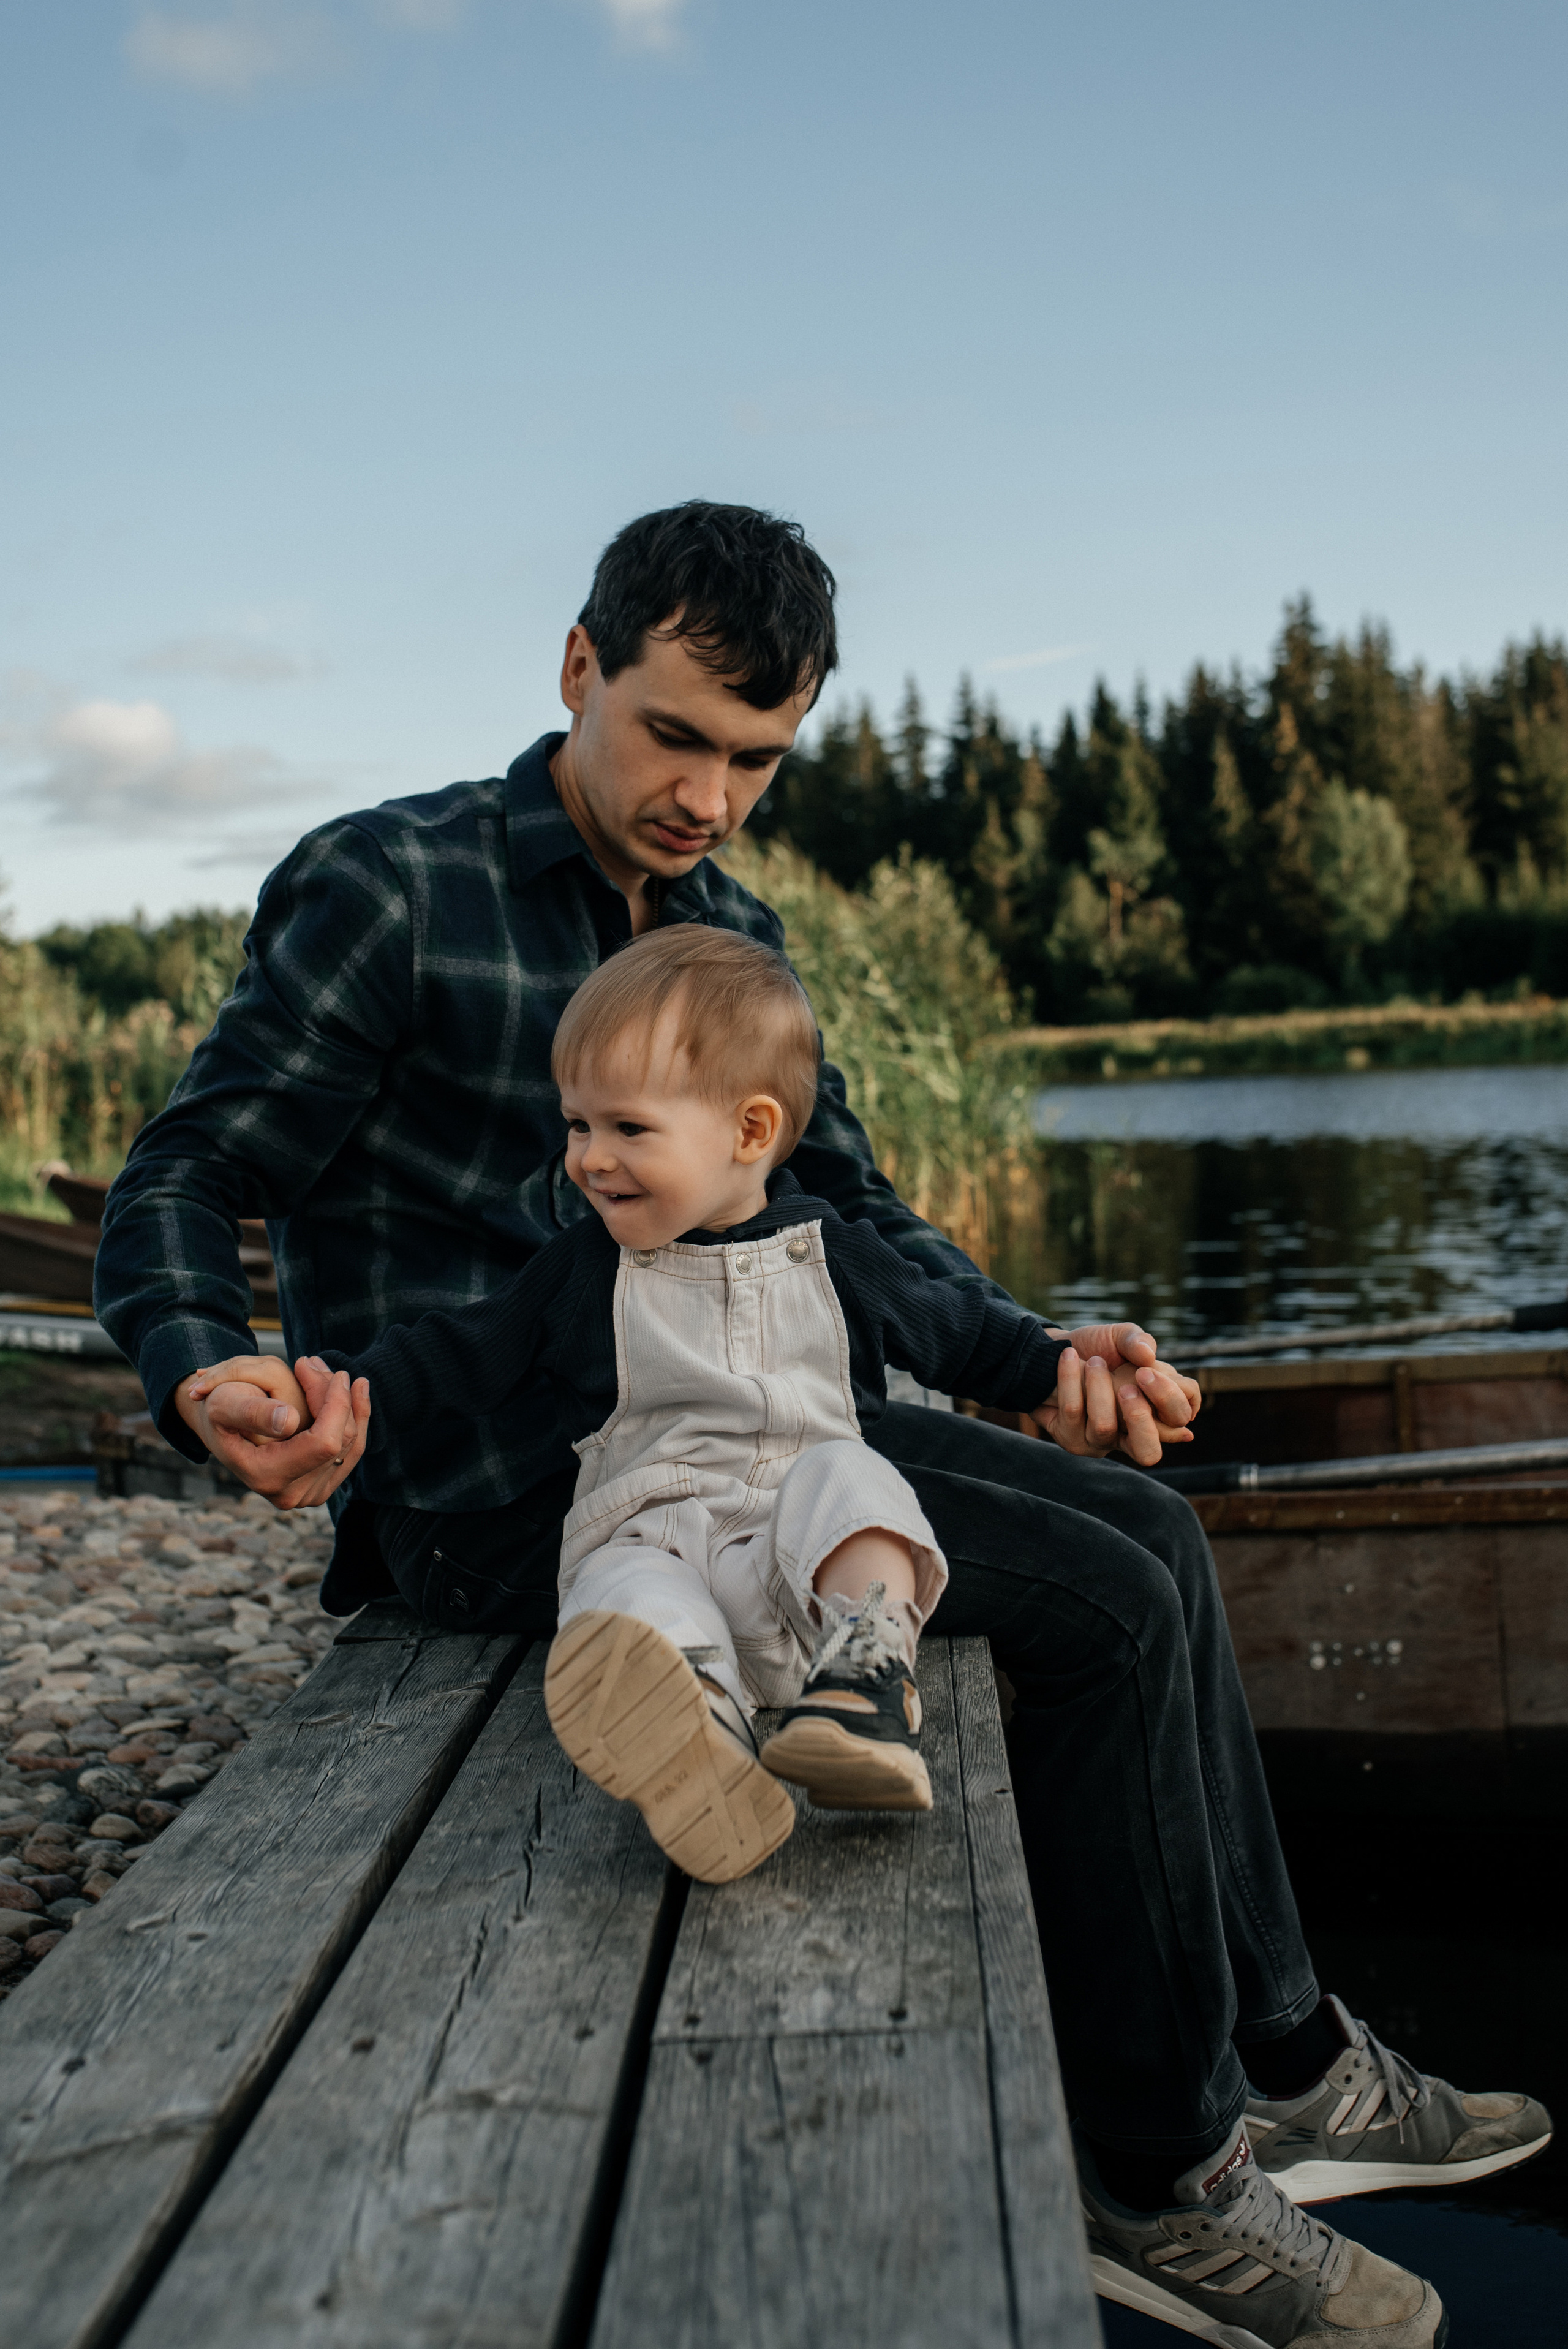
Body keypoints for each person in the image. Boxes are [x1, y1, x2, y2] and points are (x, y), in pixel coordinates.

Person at [97, 501, 1550, 2347]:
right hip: (491, 1481)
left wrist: (1038, 1357)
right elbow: (197, 1160)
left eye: (759, 759)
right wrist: (200, 1360)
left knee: (1158, 1537)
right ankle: (1163, 2173)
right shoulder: (387, 886)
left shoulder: (730, 932)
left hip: (751, 1421)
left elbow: (848, 1210)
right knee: (1107, 1608)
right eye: (677, 735)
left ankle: (1287, 2053)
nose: (712, 795)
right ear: (578, 668)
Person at [186, 925, 1084, 1883]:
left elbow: (970, 1336)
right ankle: (696, 1736)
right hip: (664, 1550)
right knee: (623, 1592)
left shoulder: (836, 1255)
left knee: (853, 1476)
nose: (589, 1158)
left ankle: (866, 1681)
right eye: (578, 1125)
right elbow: (455, 1356)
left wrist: (1067, 1372)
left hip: (793, 1584)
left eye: (628, 1129)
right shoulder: (587, 1272)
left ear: (751, 1131)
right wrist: (327, 1390)